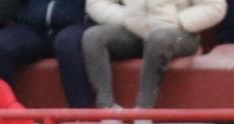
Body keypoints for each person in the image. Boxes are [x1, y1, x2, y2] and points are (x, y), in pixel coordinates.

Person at [82, 0, 226, 116]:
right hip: (135, 31)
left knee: (159, 38)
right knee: (93, 37)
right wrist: (126, 18)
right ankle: (106, 108)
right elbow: (96, 3)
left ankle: (144, 111)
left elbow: (216, 7)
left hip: (179, 33)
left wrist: (178, 20)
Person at [0, 0, 90, 108]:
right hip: (33, 27)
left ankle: (81, 115)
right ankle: (3, 111)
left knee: (67, 43)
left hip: (74, 25)